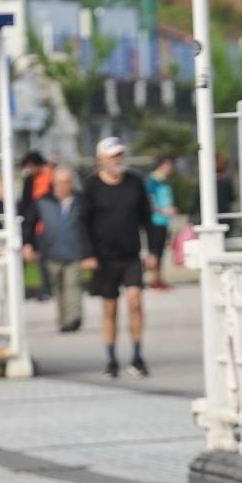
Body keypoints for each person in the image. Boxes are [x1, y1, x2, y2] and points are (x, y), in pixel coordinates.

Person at [80, 136, 156, 379]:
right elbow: (82, 223)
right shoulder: (92, 187)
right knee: (109, 308)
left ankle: (137, 355)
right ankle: (111, 357)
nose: (119, 160)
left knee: (135, 301)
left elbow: (147, 218)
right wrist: (88, 253)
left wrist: (153, 251)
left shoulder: (135, 183)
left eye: (121, 155)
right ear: (101, 160)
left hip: (131, 254)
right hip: (104, 258)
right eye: (113, 156)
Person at [31, 167, 94, 332]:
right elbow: (30, 224)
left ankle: (73, 319)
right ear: (54, 183)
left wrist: (89, 252)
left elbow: (90, 225)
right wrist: (30, 245)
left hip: (75, 252)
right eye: (60, 182)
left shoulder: (81, 200)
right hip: (51, 252)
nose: (63, 186)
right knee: (58, 288)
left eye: (67, 182)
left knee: (73, 285)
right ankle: (63, 320)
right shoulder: (43, 202)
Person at [17, 151, 53, 301]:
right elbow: (25, 202)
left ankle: (46, 290)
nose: (30, 169)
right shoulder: (29, 180)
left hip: (46, 224)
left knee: (45, 260)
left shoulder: (50, 176)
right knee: (23, 257)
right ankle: (19, 289)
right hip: (31, 223)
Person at [145, 157, 179, 291]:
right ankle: (153, 279)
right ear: (162, 166)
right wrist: (163, 210)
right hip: (155, 221)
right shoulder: (152, 181)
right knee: (154, 252)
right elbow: (149, 202)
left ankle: (159, 278)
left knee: (161, 252)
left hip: (164, 221)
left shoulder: (164, 181)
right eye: (168, 165)